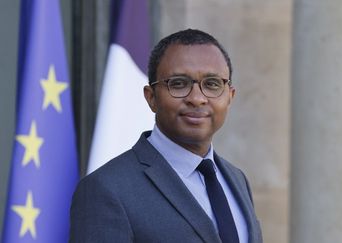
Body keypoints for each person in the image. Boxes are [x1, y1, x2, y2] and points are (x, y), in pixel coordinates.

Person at [69, 29, 263, 243]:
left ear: (230, 96)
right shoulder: (106, 189)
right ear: (151, 97)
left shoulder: (237, 179)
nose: (197, 98)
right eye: (178, 84)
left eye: (212, 84)